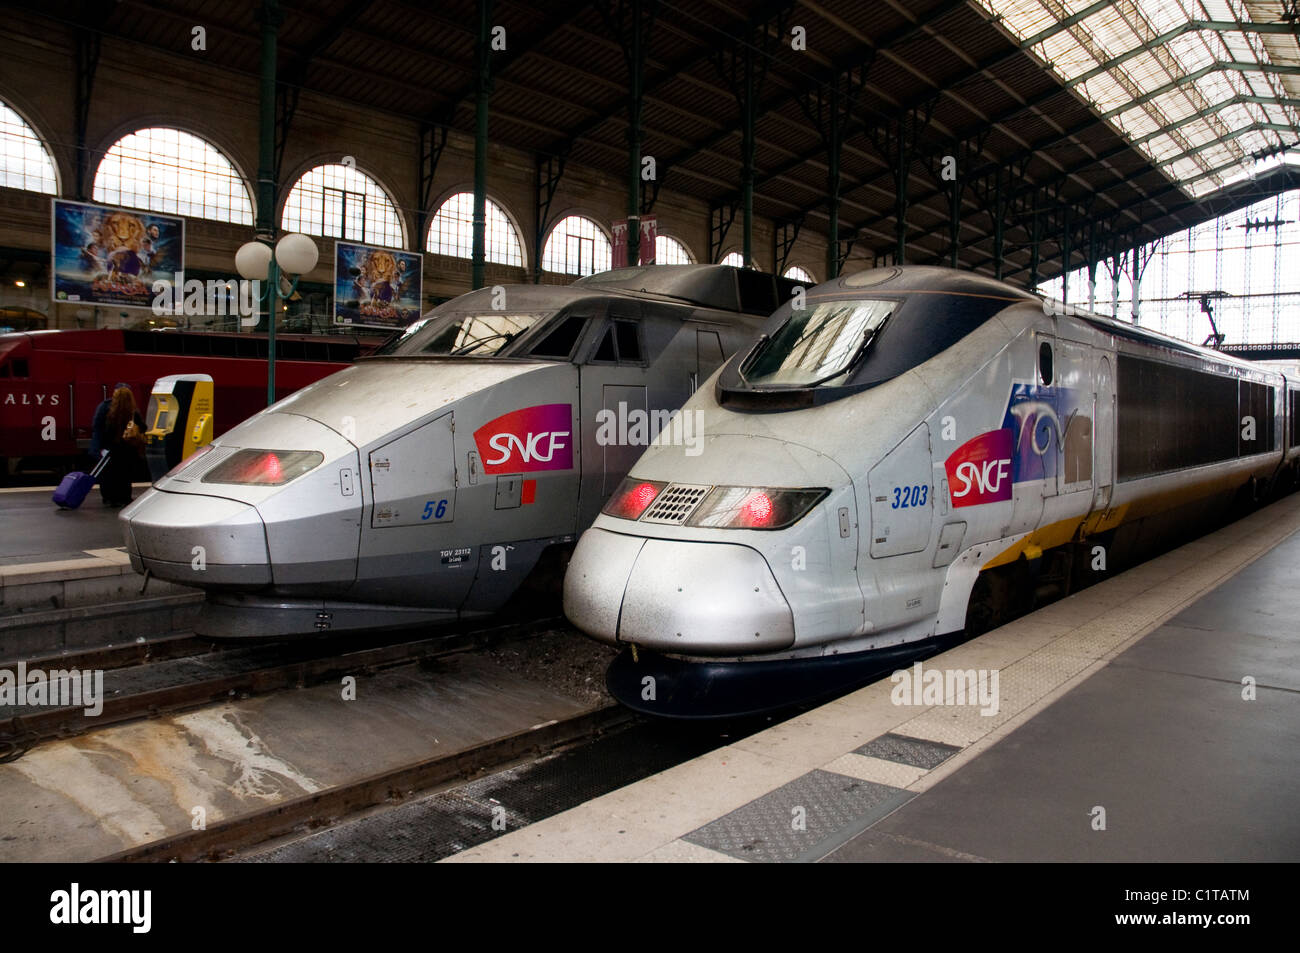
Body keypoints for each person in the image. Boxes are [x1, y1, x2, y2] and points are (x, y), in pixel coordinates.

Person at [95, 385, 146, 506]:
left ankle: (109, 498)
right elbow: (143, 428)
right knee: (125, 475)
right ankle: (124, 498)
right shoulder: (133, 412)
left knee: (109, 474)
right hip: (128, 449)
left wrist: (101, 446)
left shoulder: (107, 410)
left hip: (111, 449)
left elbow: (100, 428)